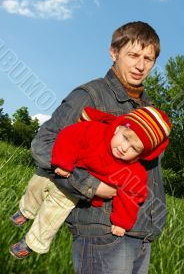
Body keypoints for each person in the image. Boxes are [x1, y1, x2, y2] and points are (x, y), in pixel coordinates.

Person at [15, 21, 166, 273]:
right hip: (102, 233)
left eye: (148, 58)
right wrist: (91, 186)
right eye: (133, 55)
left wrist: (154, 222)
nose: (141, 65)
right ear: (113, 52)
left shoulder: (148, 112)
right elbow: (44, 145)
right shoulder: (90, 95)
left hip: (140, 232)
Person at [9, 105, 172, 259]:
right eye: (125, 138)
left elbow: (132, 195)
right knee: (36, 185)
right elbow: (70, 135)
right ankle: (26, 211)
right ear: (118, 127)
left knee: (54, 212)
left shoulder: (132, 171)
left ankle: (31, 244)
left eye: (134, 148)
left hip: (75, 188)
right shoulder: (95, 131)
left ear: (142, 154)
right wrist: (63, 161)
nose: (124, 147)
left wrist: (122, 222)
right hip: (64, 167)